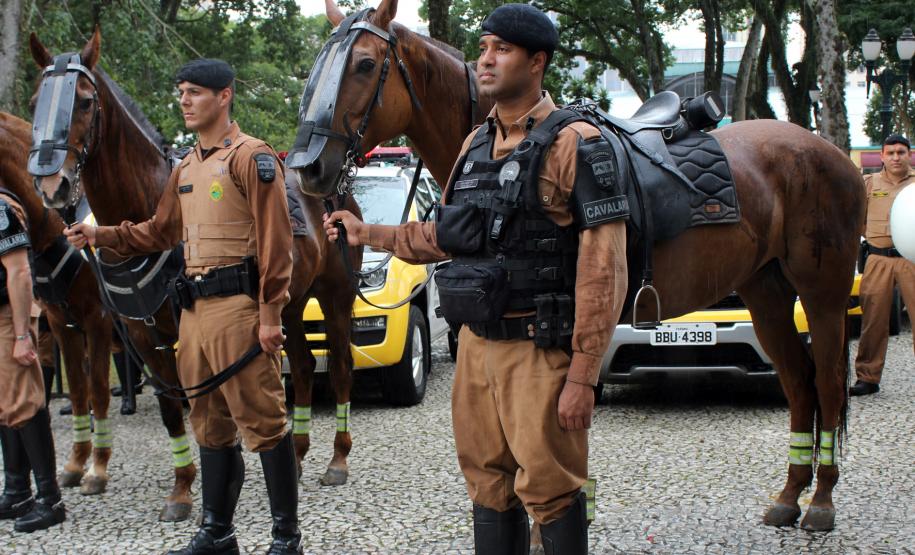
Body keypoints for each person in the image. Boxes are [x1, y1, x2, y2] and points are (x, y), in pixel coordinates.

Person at [324, 5, 628, 553]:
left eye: (502, 50)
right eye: (484, 47)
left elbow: (604, 272)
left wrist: (583, 376)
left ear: (536, 62)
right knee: (487, 487)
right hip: (476, 351)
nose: (485, 59)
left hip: (539, 351)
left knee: (552, 490)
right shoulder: (473, 146)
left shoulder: (577, 144)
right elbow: (447, 237)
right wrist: (366, 232)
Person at [65, 58, 300, 554]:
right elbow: (158, 232)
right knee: (209, 426)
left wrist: (270, 315)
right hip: (193, 313)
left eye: (194, 92)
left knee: (264, 423)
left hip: (239, 310)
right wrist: (99, 235)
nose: (184, 101)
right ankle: (218, 533)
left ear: (224, 96)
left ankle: (286, 538)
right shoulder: (186, 168)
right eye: (181, 92)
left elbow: (278, 245)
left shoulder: (251, 157)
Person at [0, 189, 66, 532]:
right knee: (5, 406)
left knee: (24, 402)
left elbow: (20, 272)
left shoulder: (1, 208)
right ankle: (17, 491)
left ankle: (49, 498)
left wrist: (22, 334)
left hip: (8, 317)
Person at [851, 134, 915, 396]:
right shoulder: (869, 183)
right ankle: (867, 377)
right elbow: (857, 218)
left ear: (909, 155)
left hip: (911, 259)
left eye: (901, 152)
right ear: (882, 156)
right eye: (891, 153)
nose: (896, 157)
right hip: (878, 258)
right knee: (873, 320)